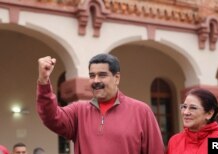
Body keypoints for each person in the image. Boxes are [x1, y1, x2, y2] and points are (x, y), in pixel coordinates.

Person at [36, 54, 165, 154]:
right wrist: (43, 81)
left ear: (117, 78)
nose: (96, 80)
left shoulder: (141, 111)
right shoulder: (78, 112)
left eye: (102, 75)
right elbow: (51, 117)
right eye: (92, 76)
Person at [166, 88, 218, 154]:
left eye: (193, 108)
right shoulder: (174, 141)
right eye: (184, 107)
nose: (185, 112)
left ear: (209, 114)